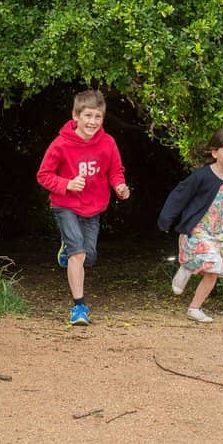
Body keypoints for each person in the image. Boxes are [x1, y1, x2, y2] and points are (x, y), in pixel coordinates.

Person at [36, 89, 130, 326]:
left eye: (98, 117)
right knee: (77, 253)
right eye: (88, 116)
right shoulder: (60, 144)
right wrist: (67, 184)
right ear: (75, 116)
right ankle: (79, 307)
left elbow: (115, 172)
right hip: (65, 205)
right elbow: (43, 175)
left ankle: (66, 252)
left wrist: (120, 186)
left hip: (93, 208)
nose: (93, 122)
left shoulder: (108, 143)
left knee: (88, 256)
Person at [157, 128, 223, 323]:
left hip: (221, 231)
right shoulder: (201, 176)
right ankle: (187, 267)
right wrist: (166, 219)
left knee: (214, 271)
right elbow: (180, 195)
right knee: (214, 263)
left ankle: (194, 308)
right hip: (198, 229)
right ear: (215, 153)